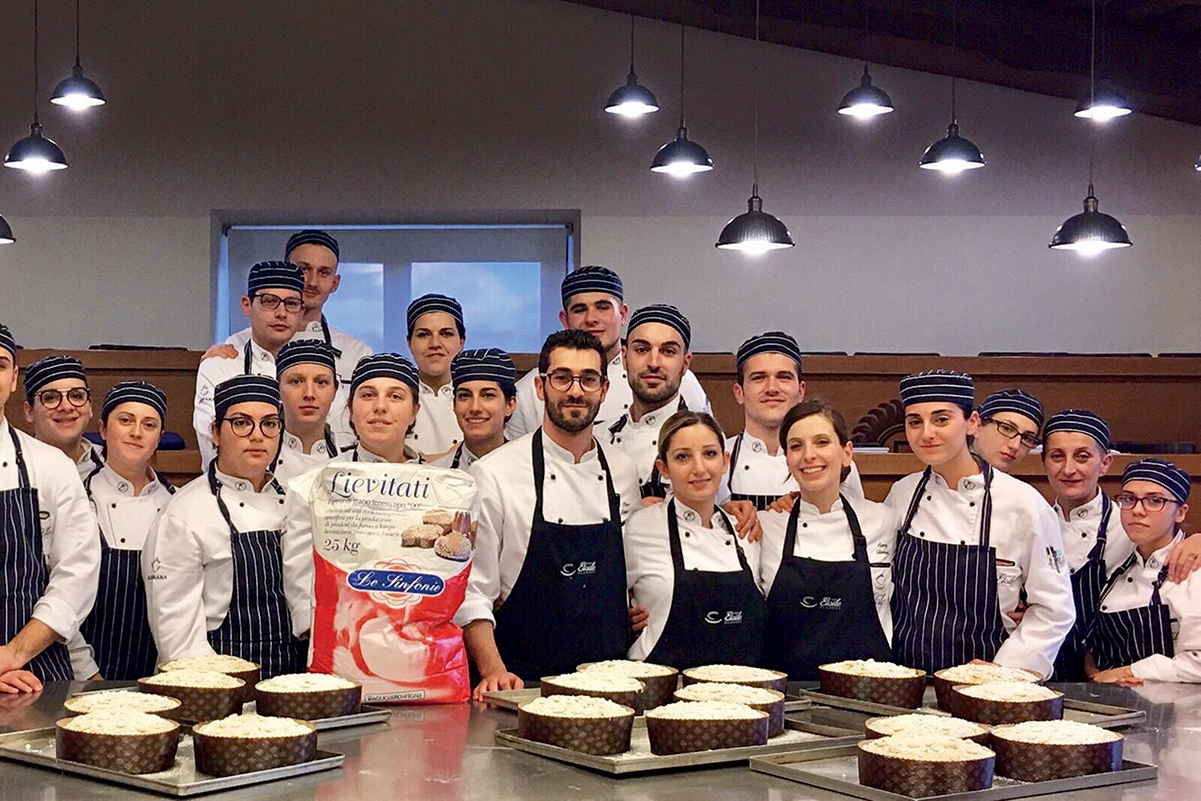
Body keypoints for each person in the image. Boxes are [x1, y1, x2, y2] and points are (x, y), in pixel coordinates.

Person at [457, 330, 640, 698]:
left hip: (610, 685)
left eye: (588, 379)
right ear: (540, 387)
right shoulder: (494, 473)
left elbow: (634, 571)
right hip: (522, 683)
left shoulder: (623, 470)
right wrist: (494, 671)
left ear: (603, 390)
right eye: (562, 378)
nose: (575, 391)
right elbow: (473, 591)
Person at [884, 369, 1073, 677]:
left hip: (986, 685)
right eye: (915, 421)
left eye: (941, 419)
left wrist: (1006, 669)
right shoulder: (902, 494)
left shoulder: (1024, 504)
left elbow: (1055, 609)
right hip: (908, 678)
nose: (926, 433)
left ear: (972, 423)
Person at [145, 375, 306, 678]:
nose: (257, 435)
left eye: (269, 424)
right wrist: (223, 696)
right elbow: (178, 638)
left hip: (293, 682)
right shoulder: (184, 513)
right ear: (216, 432)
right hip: (217, 686)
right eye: (242, 423)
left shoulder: (297, 503)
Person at [282, 353, 425, 638]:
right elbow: (301, 577)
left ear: (414, 412)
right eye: (368, 395)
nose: (380, 407)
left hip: (420, 641)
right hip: (337, 640)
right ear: (350, 409)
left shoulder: (441, 488)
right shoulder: (314, 484)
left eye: (395, 397)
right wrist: (327, 635)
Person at [759, 399, 896, 679]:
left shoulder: (885, 521)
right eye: (796, 446)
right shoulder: (765, 527)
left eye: (821, 442)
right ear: (787, 458)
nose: (808, 455)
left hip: (869, 693)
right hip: (787, 697)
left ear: (847, 453)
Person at [625, 412, 765, 669]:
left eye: (709, 454)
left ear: (725, 462)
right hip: (663, 691)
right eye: (682, 457)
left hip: (740, 695)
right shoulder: (638, 528)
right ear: (663, 469)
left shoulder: (747, 532)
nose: (699, 468)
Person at [0, 325, 98, 690]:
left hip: (40, 670)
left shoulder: (51, 466)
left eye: (0, 363)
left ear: (13, 379)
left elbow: (76, 575)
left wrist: (13, 654)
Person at [505, 266, 709, 438]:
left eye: (603, 307)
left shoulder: (677, 380)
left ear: (622, 314)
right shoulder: (531, 389)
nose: (592, 318)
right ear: (564, 319)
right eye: (580, 309)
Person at [220, 231, 371, 441]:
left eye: (324, 272)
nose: (312, 282)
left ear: (335, 283)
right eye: (303, 269)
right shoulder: (235, 348)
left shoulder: (356, 354)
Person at [71, 382, 174, 681]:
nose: (136, 432)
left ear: (159, 438)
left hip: (159, 675)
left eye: (149, 424)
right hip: (83, 674)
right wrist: (87, 673)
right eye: (125, 420)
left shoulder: (176, 504)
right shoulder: (78, 499)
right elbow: (61, 595)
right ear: (103, 430)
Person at [1089, 459, 1201, 684]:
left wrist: (1130, 671)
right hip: (1110, 704)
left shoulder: (1194, 570)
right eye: (1129, 499)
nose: (1138, 510)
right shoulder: (1115, 563)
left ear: (1180, 512)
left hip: (1178, 712)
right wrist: (1093, 671)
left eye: (1154, 501)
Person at [726, 332, 862, 509]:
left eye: (784, 377)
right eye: (759, 378)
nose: (772, 388)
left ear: (800, 391)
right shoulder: (718, 458)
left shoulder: (834, 460)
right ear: (739, 392)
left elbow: (854, 526)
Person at [194, 261, 305, 466]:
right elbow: (215, 444)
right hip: (229, 492)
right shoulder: (220, 366)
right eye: (269, 301)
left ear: (301, 313)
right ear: (247, 305)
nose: (281, 313)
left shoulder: (317, 372)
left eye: (291, 303)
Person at [606, 304, 695, 499]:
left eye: (668, 351)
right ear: (624, 357)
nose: (654, 363)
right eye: (642, 349)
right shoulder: (599, 437)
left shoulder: (704, 440)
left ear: (685, 363)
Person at [426, 348, 516, 470]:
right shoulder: (434, 473)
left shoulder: (531, 471)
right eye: (464, 396)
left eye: (488, 395)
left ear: (510, 405)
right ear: (454, 405)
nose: (475, 408)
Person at [272, 340, 346, 483]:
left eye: (321, 382)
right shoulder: (258, 456)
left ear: (335, 390)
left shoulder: (352, 458)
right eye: (296, 381)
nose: (309, 393)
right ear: (278, 388)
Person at [21, 355, 102, 479]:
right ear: (29, 411)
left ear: (90, 407)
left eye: (76, 396)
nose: (66, 407)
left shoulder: (113, 463)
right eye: (51, 398)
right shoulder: (12, 467)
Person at [405, 294, 467, 455]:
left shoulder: (478, 399)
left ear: (461, 342)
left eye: (446, 334)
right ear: (409, 343)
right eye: (423, 334)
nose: (435, 344)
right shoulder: (395, 398)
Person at [973, 388, 1044, 472]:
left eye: (1027, 438)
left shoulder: (1017, 485)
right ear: (976, 425)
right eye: (1007, 428)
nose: (1015, 446)